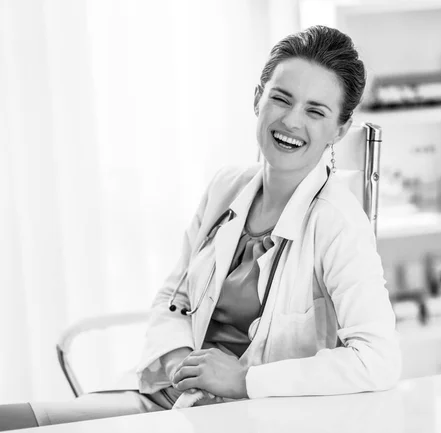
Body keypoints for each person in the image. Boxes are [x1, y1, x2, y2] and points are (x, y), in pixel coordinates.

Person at [0, 24, 401, 430]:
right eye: (281, 99)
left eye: (316, 111)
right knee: (11, 419)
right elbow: (172, 299)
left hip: (245, 414)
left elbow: (378, 359)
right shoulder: (227, 186)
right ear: (258, 99)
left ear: (340, 129)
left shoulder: (337, 222)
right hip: (168, 395)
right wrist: (179, 364)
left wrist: (245, 380)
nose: (292, 121)